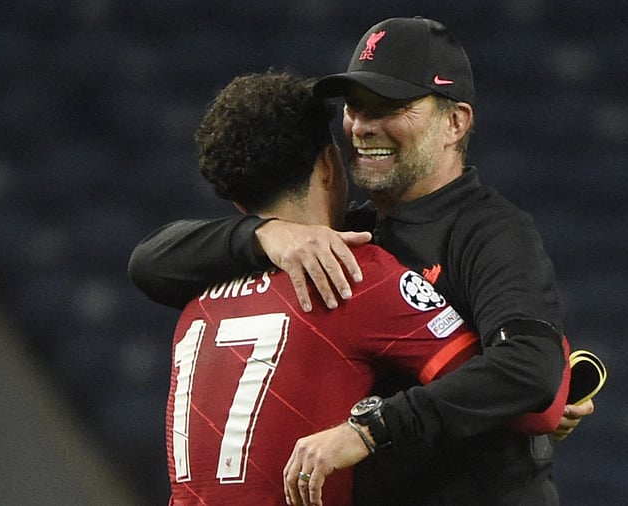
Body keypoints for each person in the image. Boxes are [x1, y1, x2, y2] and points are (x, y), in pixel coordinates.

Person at [130, 17, 592, 506]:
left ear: (455, 122)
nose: (365, 125)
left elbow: (530, 373)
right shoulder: (341, 237)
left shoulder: (491, 232)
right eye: (355, 107)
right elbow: (150, 262)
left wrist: (371, 429)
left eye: (392, 106)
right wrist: (268, 234)